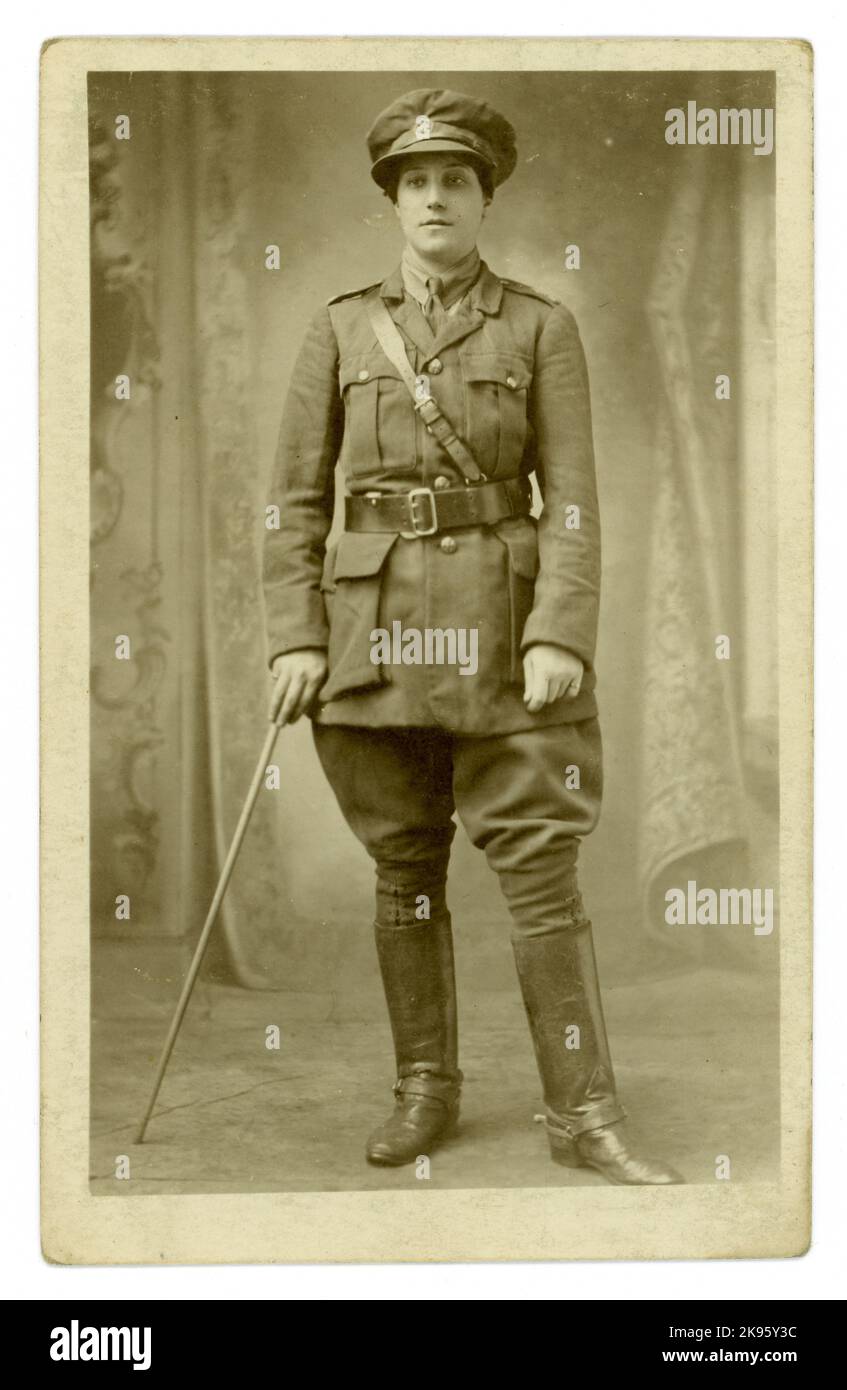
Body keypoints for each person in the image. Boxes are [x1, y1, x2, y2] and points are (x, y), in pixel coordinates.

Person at [262, 88, 683, 1184]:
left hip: (507, 647)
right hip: (373, 647)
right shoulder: (340, 328)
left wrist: (562, 633)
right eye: (416, 182)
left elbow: (576, 504)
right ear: (393, 201)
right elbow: (292, 502)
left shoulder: (541, 327)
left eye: (455, 180)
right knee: (403, 869)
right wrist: (291, 638)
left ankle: (583, 1113)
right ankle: (424, 1092)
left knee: (542, 876)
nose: (435, 197)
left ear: (483, 198)